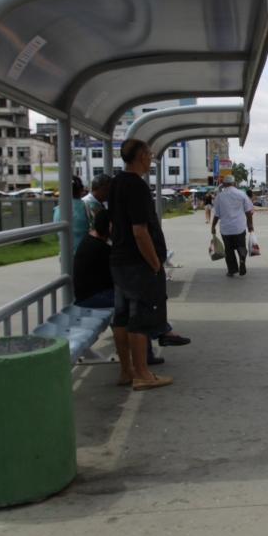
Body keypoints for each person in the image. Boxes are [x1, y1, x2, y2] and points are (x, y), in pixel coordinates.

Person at [75, 209, 188, 368]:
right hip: (95, 297)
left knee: (136, 301)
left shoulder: (90, 241)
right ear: (110, 226)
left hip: (91, 294)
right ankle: (158, 336)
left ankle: (159, 334)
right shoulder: (101, 249)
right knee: (138, 303)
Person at [107, 139, 173, 391]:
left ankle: (127, 370)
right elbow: (140, 231)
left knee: (122, 317)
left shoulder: (116, 183)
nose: (151, 159)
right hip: (138, 263)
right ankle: (143, 373)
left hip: (120, 260)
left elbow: (113, 225)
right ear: (143, 157)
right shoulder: (137, 186)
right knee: (140, 317)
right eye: (151, 155)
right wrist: (155, 263)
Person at [211, 174, 254, 278]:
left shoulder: (219, 196)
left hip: (226, 228)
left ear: (224, 184)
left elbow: (217, 214)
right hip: (239, 226)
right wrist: (250, 224)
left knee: (228, 250)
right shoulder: (241, 194)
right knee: (241, 245)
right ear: (234, 183)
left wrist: (213, 226)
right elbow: (248, 211)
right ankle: (242, 259)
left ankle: (232, 270)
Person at [53, 175, 95, 253]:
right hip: (86, 253)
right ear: (82, 188)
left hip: (65, 254)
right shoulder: (91, 206)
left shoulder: (57, 209)